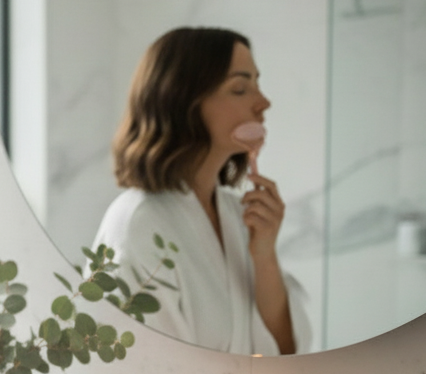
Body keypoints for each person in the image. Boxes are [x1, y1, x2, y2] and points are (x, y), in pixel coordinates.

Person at [93, 27, 310, 356]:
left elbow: (284, 352)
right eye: (239, 88)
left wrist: (264, 255)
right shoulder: (138, 223)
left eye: (257, 84)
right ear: (183, 102)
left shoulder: (238, 215)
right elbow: (152, 368)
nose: (263, 103)